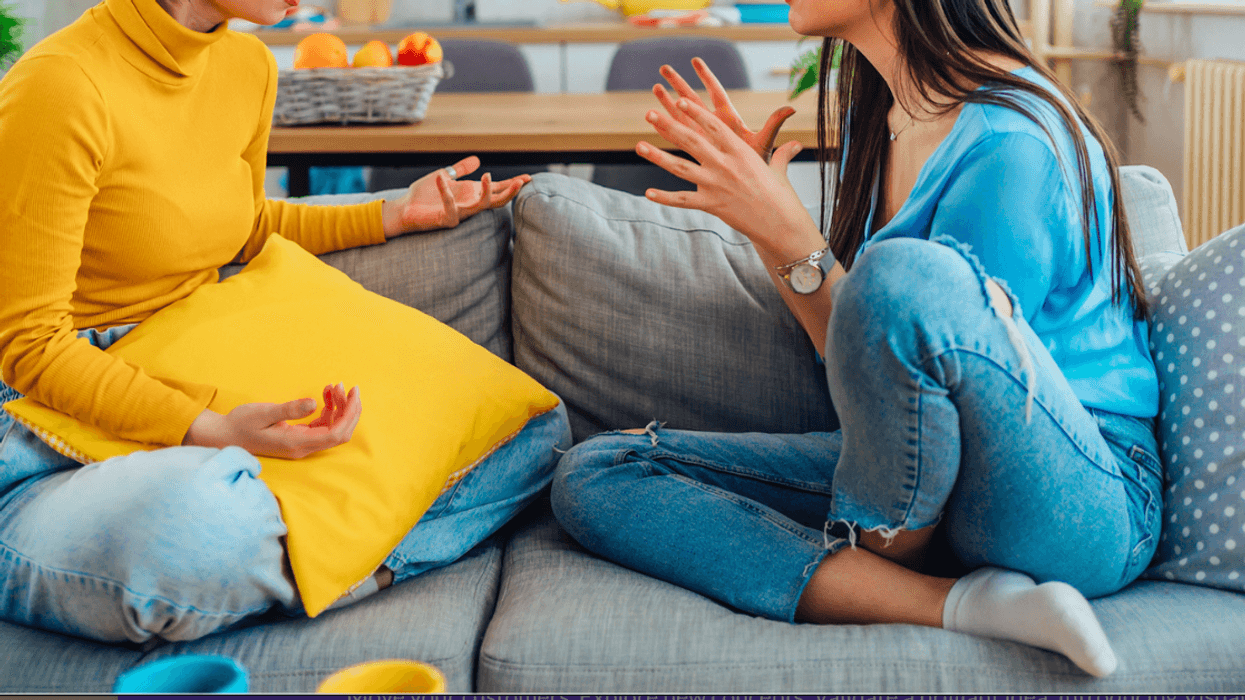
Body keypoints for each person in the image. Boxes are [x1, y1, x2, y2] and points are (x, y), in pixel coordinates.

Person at [550, 0, 1160, 678]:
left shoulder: (1010, 142)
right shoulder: (896, 117)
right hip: (930, 484)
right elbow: (875, 373)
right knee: (597, 473)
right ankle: (960, 604)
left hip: (1075, 496)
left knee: (902, 276)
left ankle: (879, 562)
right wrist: (771, 228)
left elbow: (949, 392)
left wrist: (796, 236)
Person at [0, 0, 569, 643]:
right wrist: (205, 430)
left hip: (197, 351)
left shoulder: (247, 64)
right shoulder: (59, 85)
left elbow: (241, 225)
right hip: (47, 414)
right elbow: (29, 343)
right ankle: (318, 566)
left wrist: (391, 215)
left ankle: (333, 572)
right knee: (193, 525)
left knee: (533, 431)